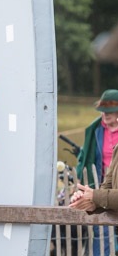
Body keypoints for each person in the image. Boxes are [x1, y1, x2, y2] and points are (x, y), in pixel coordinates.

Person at [72, 89, 118, 255]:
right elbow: (85, 159)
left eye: (110, 110)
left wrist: (96, 196)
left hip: (106, 194)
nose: (105, 114)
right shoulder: (95, 130)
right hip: (103, 188)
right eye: (103, 111)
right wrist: (91, 199)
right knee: (102, 236)